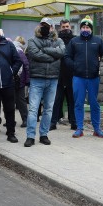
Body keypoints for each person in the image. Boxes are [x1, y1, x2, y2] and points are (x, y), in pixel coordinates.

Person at [23, 17, 65, 147]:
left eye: (48, 25)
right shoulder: (32, 41)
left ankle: (43, 134)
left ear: (52, 28)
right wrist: (53, 56)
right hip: (37, 78)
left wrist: (45, 50)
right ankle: (30, 136)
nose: (45, 28)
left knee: (48, 109)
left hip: (52, 79)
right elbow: (35, 54)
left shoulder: (59, 40)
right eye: (43, 25)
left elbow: (62, 52)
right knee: (34, 109)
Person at [63, 16, 103, 138]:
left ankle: (97, 129)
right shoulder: (74, 41)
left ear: (91, 29)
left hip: (94, 78)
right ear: (80, 28)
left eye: (87, 27)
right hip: (78, 77)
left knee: (95, 104)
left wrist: (99, 68)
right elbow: (67, 57)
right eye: (83, 27)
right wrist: (75, 66)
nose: (85, 29)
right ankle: (79, 129)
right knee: (78, 103)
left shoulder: (98, 41)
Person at [50, 19, 76, 131]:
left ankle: (73, 122)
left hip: (72, 73)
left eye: (67, 26)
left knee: (72, 99)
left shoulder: (75, 40)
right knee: (56, 100)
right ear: (60, 27)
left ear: (70, 27)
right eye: (63, 27)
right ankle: (53, 122)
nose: (66, 28)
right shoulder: (55, 40)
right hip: (58, 73)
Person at [13, 36, 30, 128]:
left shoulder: (11, 49)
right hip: (19, 79)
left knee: (11, 100)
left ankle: (11, 120)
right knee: (21, 100)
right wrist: (27, 80)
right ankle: (25, 119)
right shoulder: (20, 51)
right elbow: (26, 65)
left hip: (12, 78)